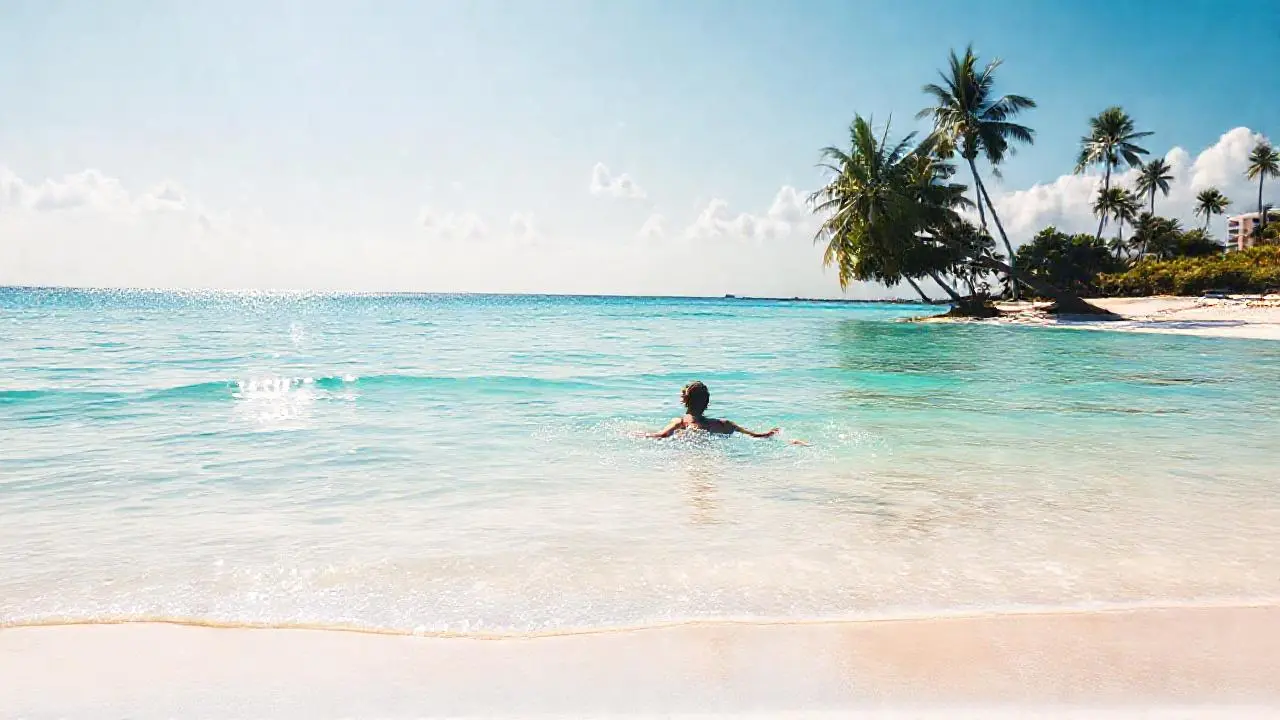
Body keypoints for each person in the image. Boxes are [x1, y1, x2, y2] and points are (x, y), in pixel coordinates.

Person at [644, 381, 806, 444]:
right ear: (707, 403)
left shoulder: (680, 423)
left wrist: (637, 434)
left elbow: (660, 436)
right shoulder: (725, 424)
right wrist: (768, 434)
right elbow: (756, 436)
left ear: (684, 401)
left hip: (692, 451)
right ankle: (793, 442)